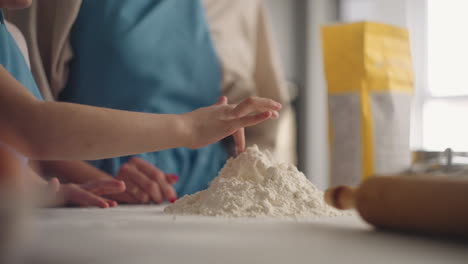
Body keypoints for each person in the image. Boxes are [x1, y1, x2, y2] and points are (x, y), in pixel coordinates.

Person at [6, 0, 297, 203]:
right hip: (101, 202)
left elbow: (262, 115)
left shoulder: (236, 5)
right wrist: (99, 182)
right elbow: (29, 127)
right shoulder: (28, 23)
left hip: (211, 198)